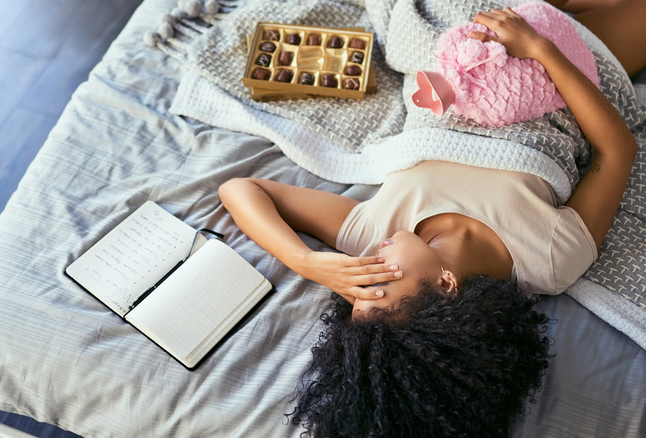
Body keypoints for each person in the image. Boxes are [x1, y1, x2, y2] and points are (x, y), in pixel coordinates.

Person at [218, 4, 642, 437]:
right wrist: (541, 49)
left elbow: (241, 190)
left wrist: (306, 261)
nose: (366, 274)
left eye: (356, 291)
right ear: (445, 285)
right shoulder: (548, 257)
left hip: (450, 41)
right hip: (556, 65)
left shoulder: (375, 232)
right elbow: (616, 150)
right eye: (379, 287)